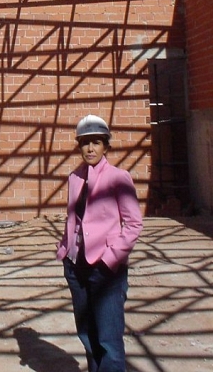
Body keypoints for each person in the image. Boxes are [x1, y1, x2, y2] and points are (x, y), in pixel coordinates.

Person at [56, 114, 143, 372]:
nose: (90, 148)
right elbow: (75, 218)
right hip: (76, 267)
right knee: (86, 333)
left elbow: (134, 224)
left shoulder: (118, 177)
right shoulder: (75, 178)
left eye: (96, 142)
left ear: (106, 146)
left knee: (109, 340)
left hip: (105, 270)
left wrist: (111, 259)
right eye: (85, 143)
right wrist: (65, 250)